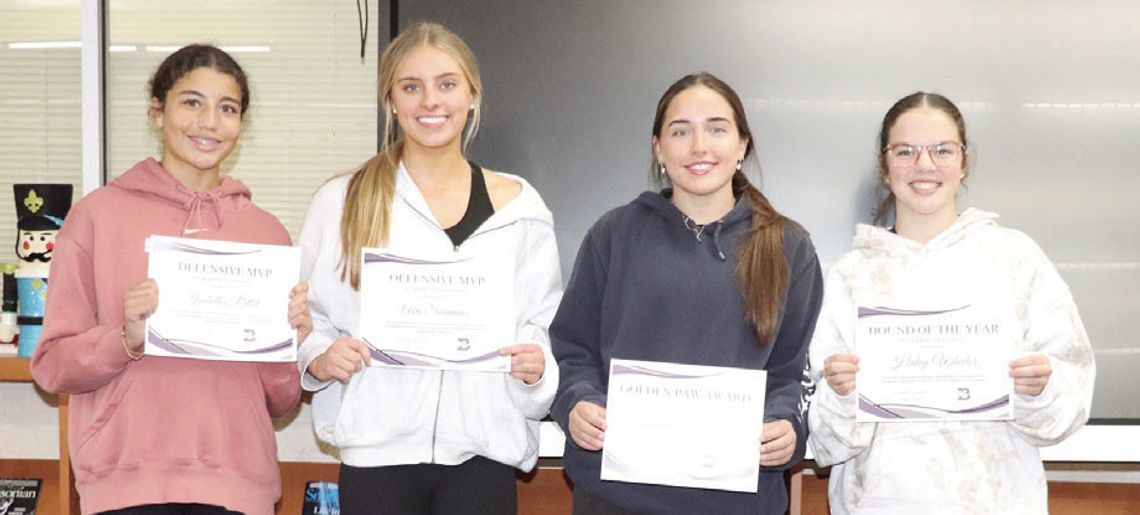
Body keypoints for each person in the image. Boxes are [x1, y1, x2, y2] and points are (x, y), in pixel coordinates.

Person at [30, 44, 311, 515]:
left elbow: (281, 400)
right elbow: (52, 366)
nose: (209, 122)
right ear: (157, 113)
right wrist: (125, 337)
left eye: (227, 108)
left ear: (241, 124)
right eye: (192, 102)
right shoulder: (96, 217)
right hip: (126, 487)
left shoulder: (267, 233)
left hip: (238, 488)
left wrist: (291, 338)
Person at [296, 22, 562, 515]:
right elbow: (307, 319)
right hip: (377, 462)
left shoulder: (521, 209)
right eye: (411, 87)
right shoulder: (342, 201)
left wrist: (534, 370)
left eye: (446, 84)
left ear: (472, 96)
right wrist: (319, 356)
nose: (430, 101)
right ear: (391, 101)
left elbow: (541, 327)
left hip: (483, 459)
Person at [807, 92, 1096, 514]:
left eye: (942, 150)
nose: (925, 165)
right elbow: (825, 442)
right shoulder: (851, 276)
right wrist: (842, 393)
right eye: (905, 151)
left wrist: (1039, 389)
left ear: (963, 163)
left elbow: (1068, 406)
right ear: (884, 167)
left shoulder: (1016, 258)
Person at [550, 72, 824, 515]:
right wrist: (578, 402)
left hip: (738, 499)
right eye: (681, 131)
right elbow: (572, 349)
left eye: (717, 128)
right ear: (658, 148)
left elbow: (793, 374)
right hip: (616, 495)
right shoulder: (613, 234)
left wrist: (787, 426)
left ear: (742, 145)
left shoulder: (789, 246)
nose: (699, 146)